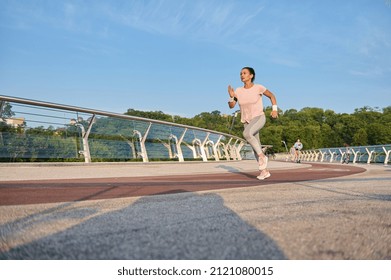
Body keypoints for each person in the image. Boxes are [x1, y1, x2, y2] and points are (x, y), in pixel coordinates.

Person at [228, 67, 278, 180]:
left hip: (259, 117)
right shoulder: (239, 91)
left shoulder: (258, 87)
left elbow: (272, 96)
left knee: (246, 134)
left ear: (251, 76)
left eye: (244, 73)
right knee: (256, 146)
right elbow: (232, 106)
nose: (242, 75)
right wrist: (232, 96)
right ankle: (264, 171)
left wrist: (274, 109)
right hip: (246, 121)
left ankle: (262, 156)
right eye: (240, 73)